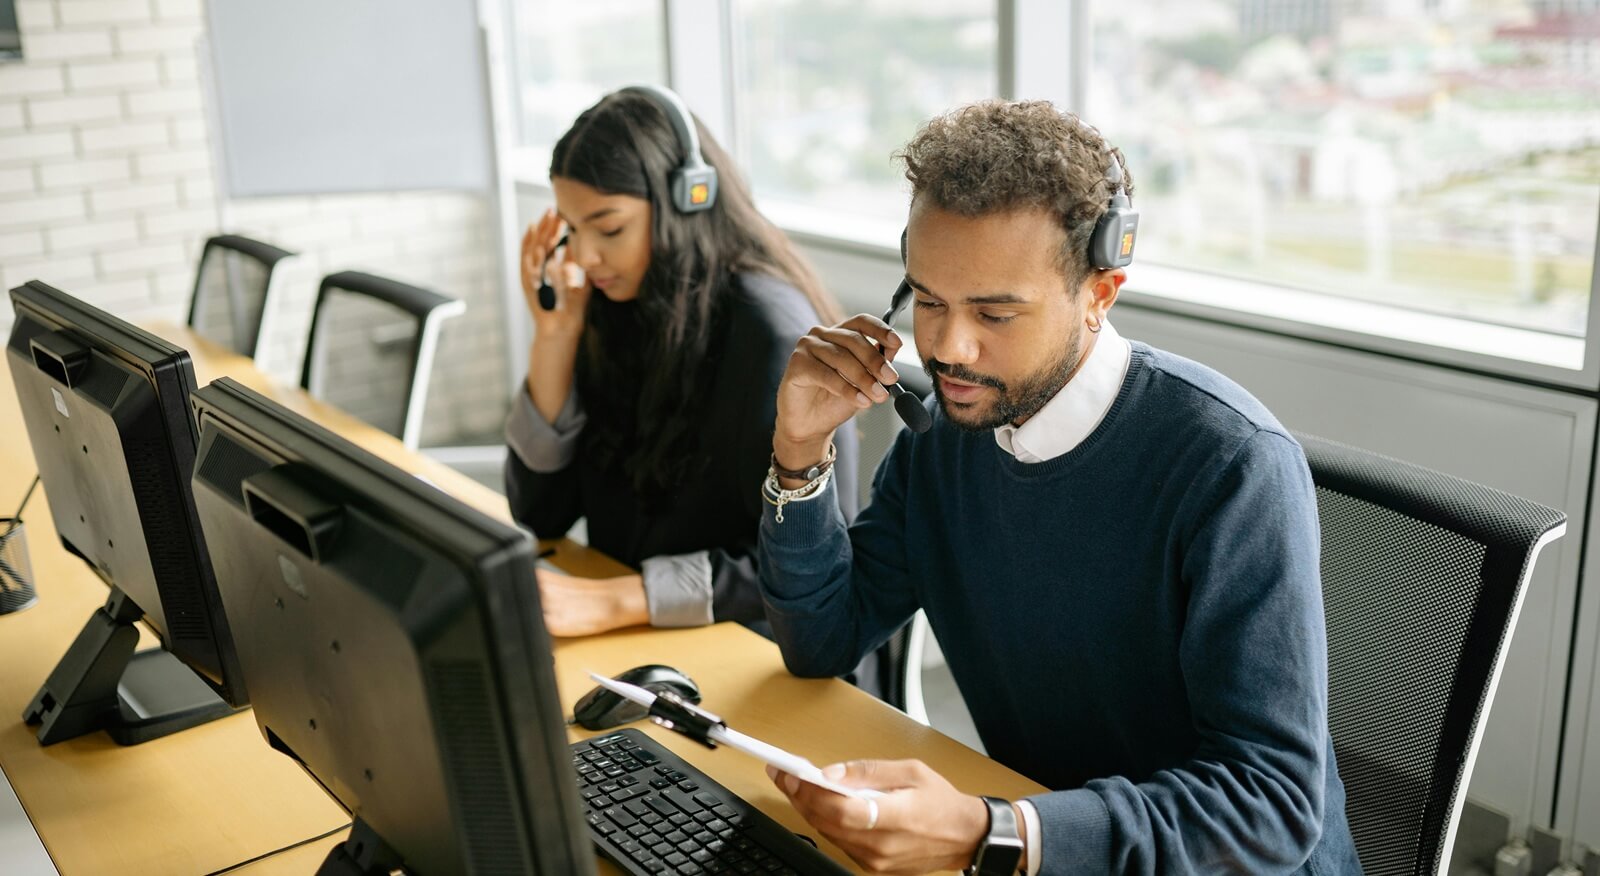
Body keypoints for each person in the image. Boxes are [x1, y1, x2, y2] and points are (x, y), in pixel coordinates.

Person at [755, 100, 1363, 875]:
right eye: (929, 301)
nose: (946, 348)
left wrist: (994, 832)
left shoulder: (1231, 467)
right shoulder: (946, 438)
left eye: (995, 313)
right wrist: (799, 449)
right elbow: (822, 641)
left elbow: (1270, 804)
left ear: (1100, 293)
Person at [504, 85, 857, 638]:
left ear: (688, 198)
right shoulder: (617, 305)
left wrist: (625, 598)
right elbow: (540, 515)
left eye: (609, 227)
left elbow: (813, 560)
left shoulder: (771, 337)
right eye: (571, 229)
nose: (581, 256)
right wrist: (555, 338)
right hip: (642, 634)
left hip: (755, 649)